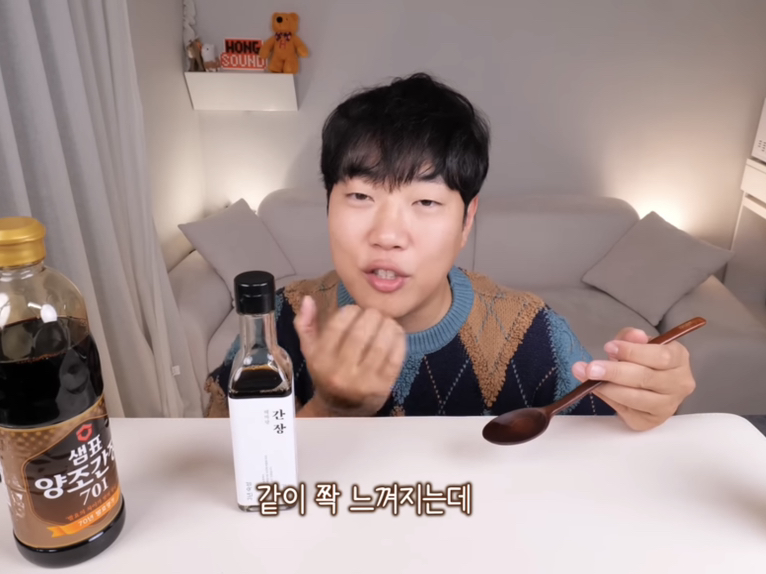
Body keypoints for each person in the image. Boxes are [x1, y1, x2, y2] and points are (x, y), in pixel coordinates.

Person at [203, 72, 695, 431]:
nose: (388, 235)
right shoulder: (273, 330)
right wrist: (328, 410)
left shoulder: (530, 335)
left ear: (467, 221)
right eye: (361, 196)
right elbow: (221, 480)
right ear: (328, 203)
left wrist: (648, 403)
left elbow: (600, 446)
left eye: (425, 202)